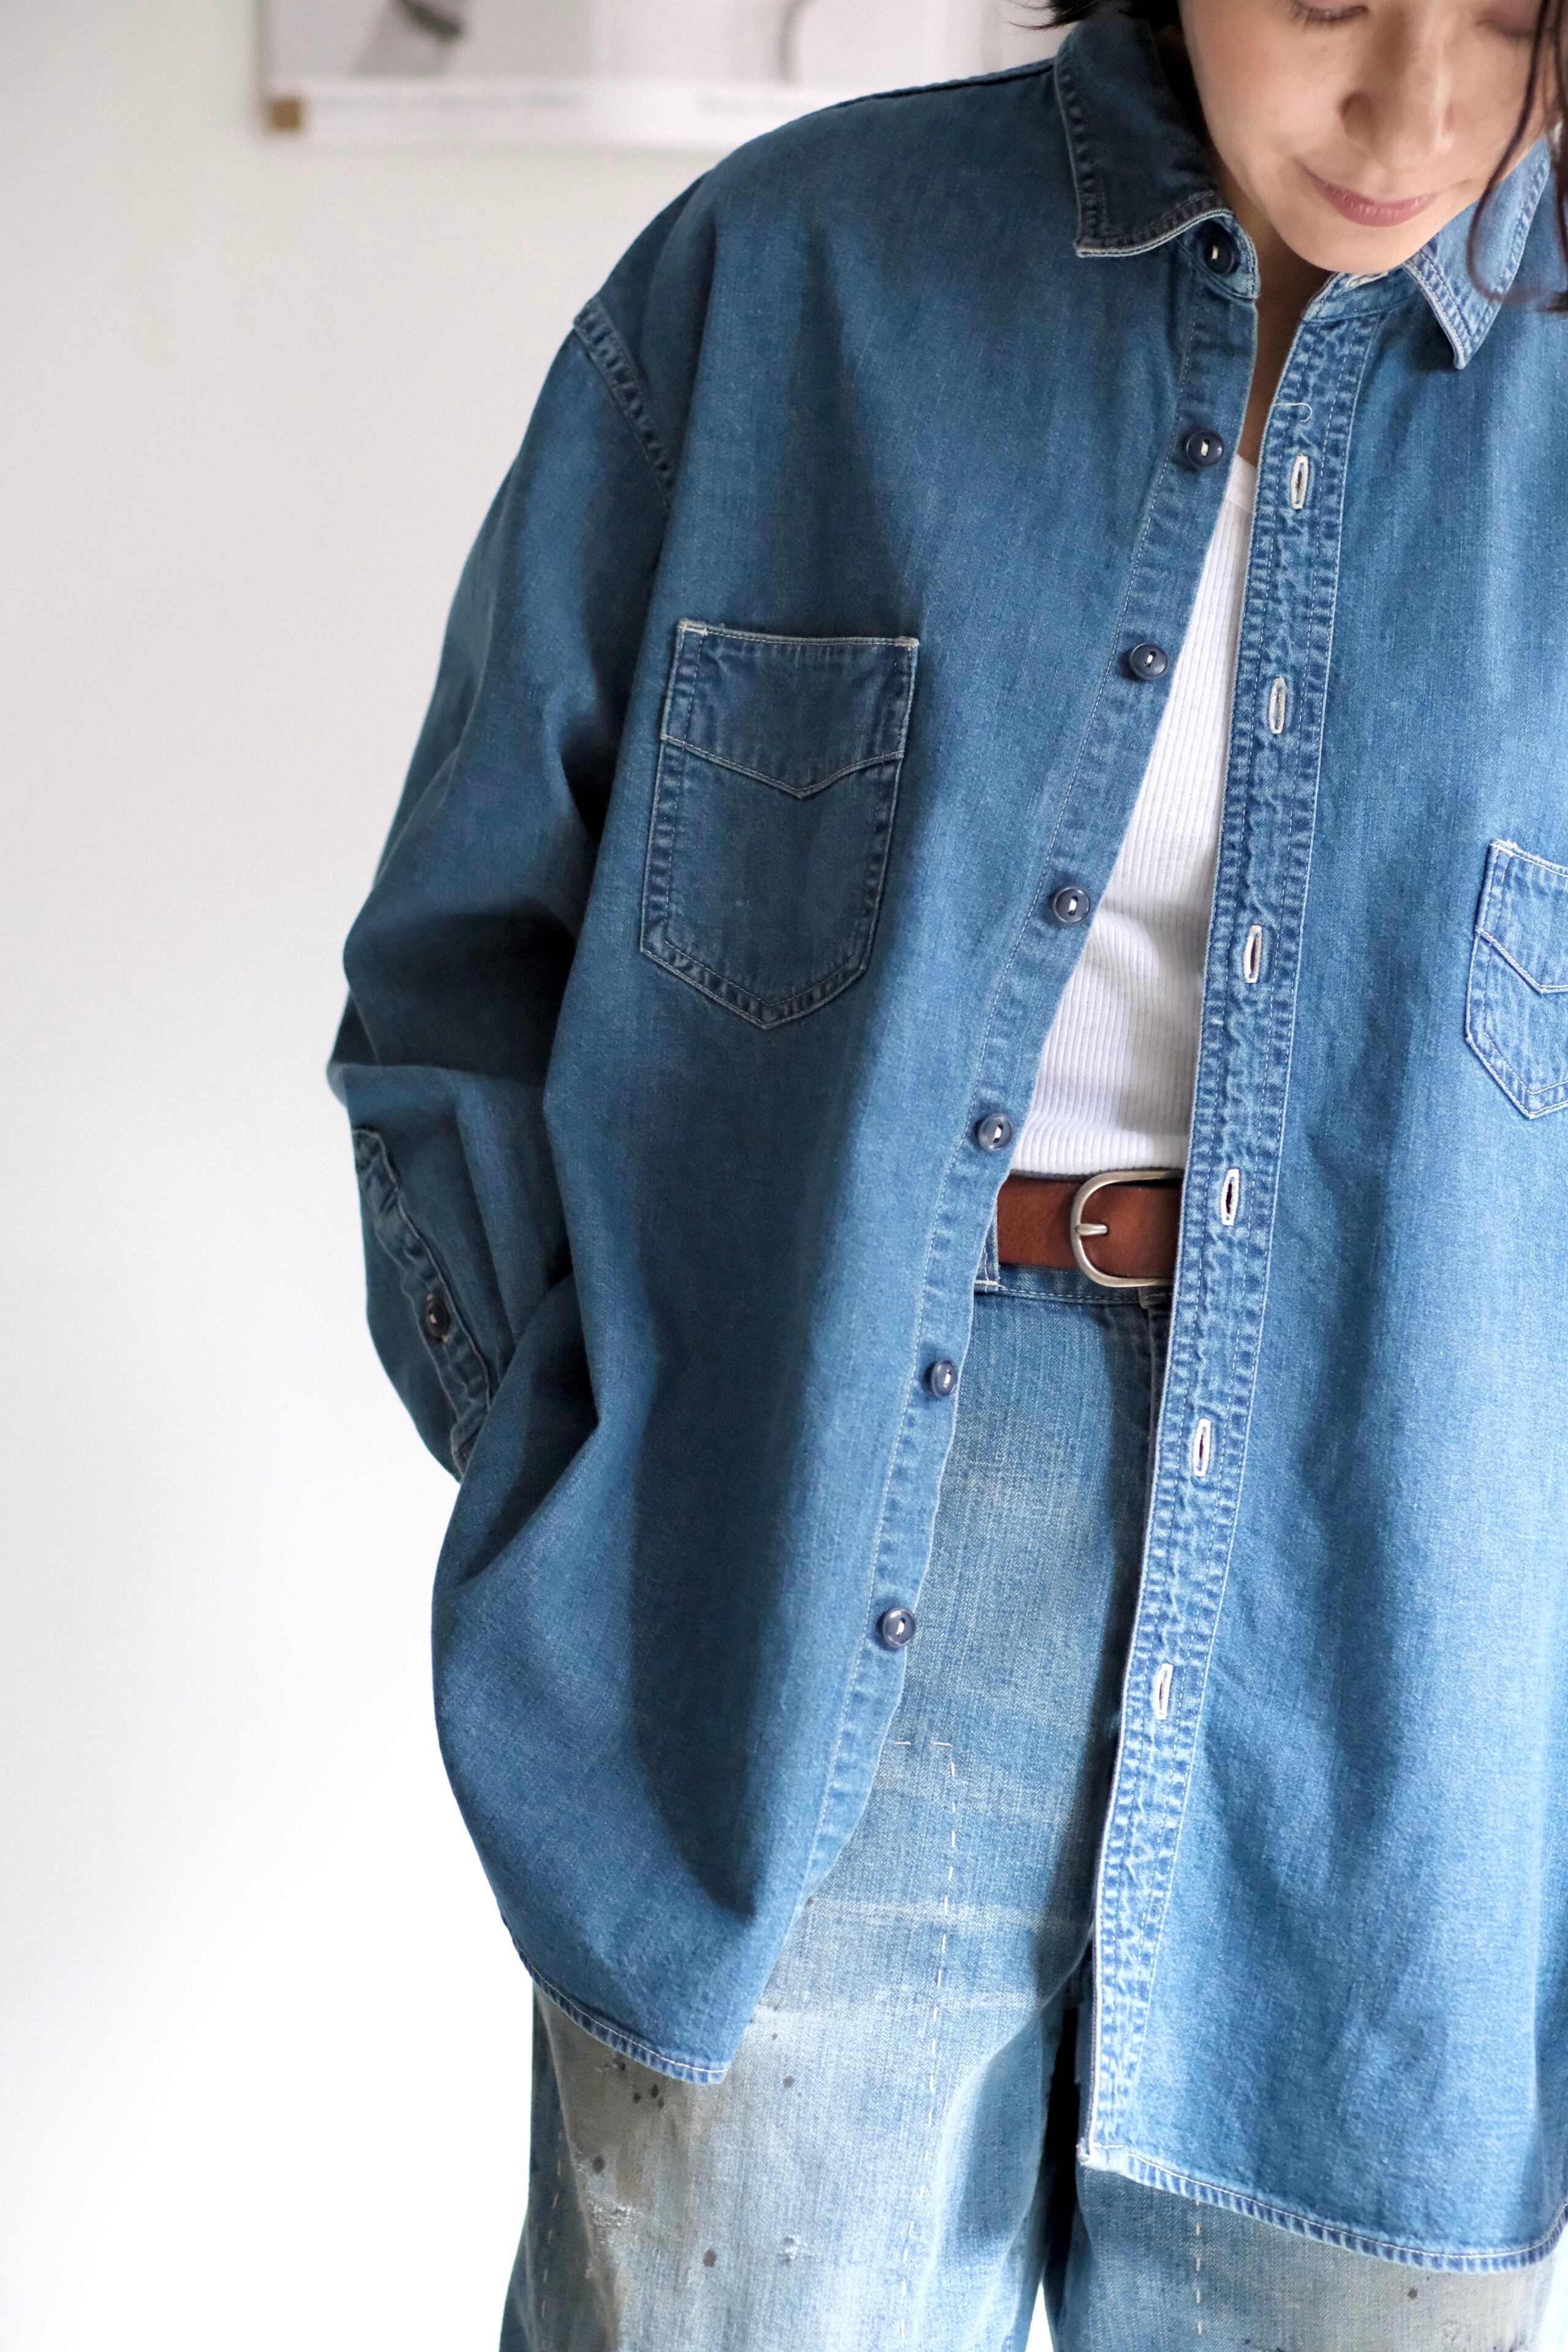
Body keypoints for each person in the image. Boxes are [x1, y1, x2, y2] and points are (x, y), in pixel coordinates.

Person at [330, 0, 1568, 2341]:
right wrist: (594, 1500)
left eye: (1512, 15)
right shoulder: (797, 279)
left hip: (1419, 1661)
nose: (1419, 108)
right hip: (818, 1582)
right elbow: (455, 979)